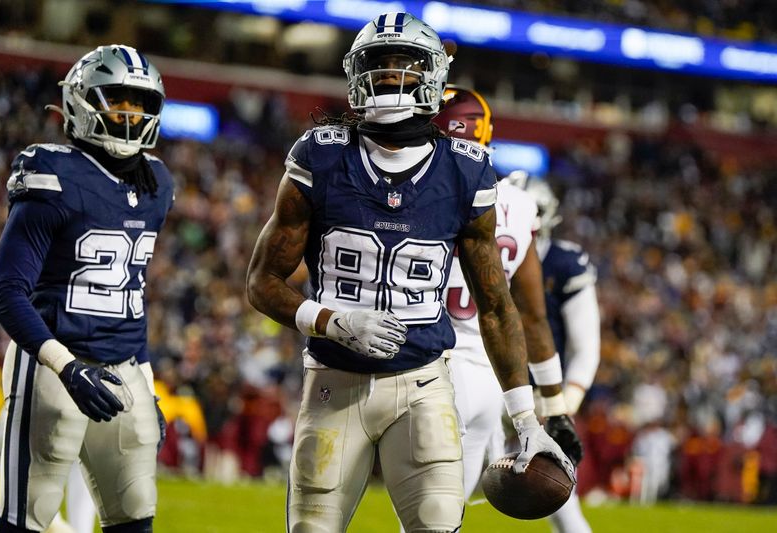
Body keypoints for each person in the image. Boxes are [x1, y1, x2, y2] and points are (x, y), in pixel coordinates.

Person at [246, 12, 574, 532]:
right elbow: (261, 283)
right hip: (333, 383)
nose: (391, 80)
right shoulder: (322, 157)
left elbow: (497, 306)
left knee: (437, 527)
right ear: (357, 75)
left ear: (434, 78)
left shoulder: (465, 169)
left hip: (423, 384)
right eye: (379, 68)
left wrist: (527, 418)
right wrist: (332, 321)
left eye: (405, 68)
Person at [0, 44, 172, 533]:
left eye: (139, 103)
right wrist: (67, 369)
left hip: (124, 371)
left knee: (135, 519)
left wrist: (148, 383)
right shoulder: (52, 172)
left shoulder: (158, 181)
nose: (129, 116)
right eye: (118, 101)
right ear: (83, 101)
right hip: (52, 365)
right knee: (25, 521)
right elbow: (6, 291)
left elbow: (133, 291)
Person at [432, 86, 583, 501]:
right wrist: (554, 405)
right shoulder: (518, 203)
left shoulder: (424, 195)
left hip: (430, 370)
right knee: (444, 518)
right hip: (488, 376)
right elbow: (532, 316)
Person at [524, 178, 600, 533]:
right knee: (441, 494)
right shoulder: (483, 249)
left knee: (563, 505)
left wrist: (562, 407)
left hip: (541, 398)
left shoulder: (563, 262)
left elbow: (587, 347)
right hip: (487, 388)